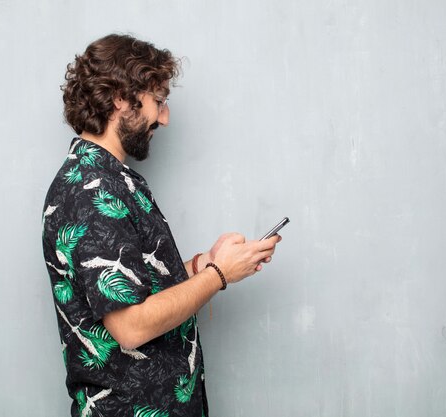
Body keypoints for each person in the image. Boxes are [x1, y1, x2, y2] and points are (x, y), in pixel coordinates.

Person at [41, 33, 281, 417]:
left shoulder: (118, 180)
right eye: (159, 101)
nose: (165, 117)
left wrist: (203, 265)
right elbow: (131, 326)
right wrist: (219, 275)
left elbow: (142, 290)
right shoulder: (90, 189)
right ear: (121, 98)